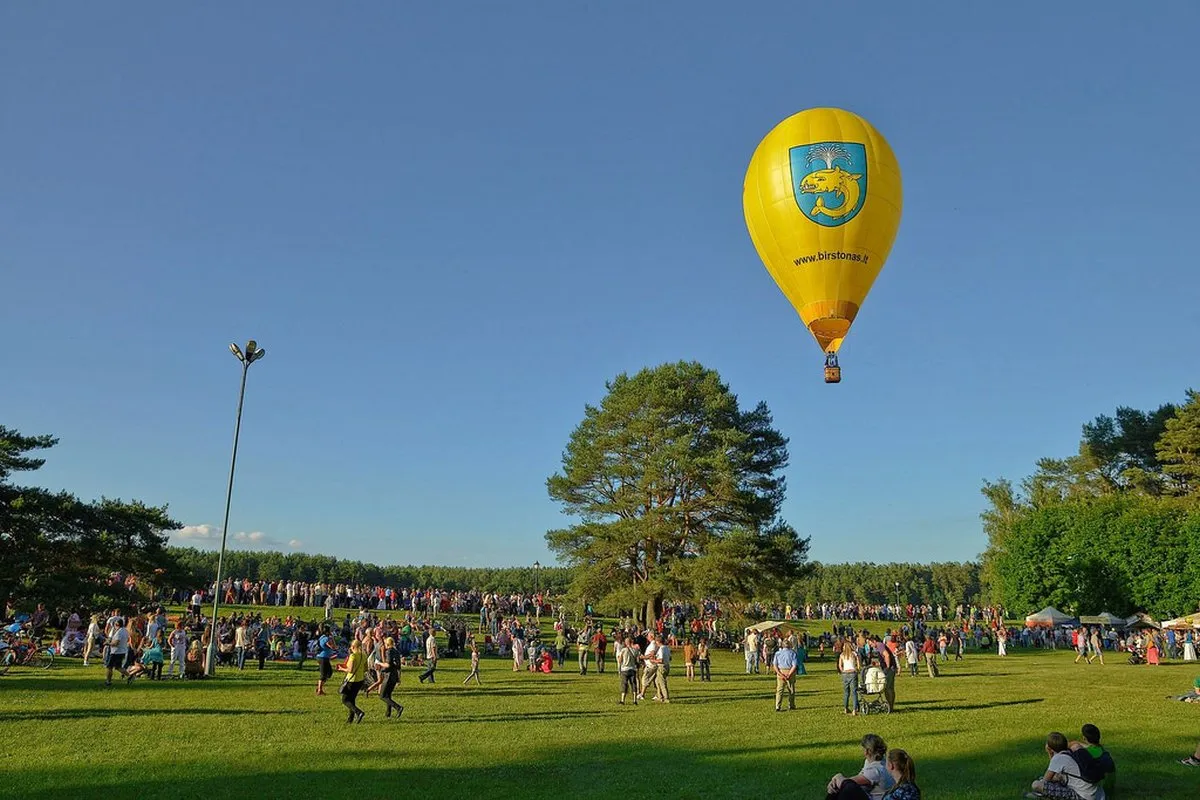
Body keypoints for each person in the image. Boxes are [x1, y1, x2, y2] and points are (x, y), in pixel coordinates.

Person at [1025, 731, 1105, 799]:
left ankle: (1039, 795)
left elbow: (1046, 780)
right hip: (1095, 793)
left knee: (1036, 784)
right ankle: (1040, 795)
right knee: (1057, 778)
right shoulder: (1071, 752)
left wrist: (1049, 753)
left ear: (1050, 748)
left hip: (1083, 796)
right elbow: (1055, 773)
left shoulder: (1058, 758)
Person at [825, 734, 895, 799]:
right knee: (838, 788)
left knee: (845, 788)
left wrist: (837, 776)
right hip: (868, 795)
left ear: (867, 751)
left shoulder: (876, 770)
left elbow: (849, 783)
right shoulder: (876, 761)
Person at [338, 639, 367, 724]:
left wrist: (341, 668)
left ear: (353, 647)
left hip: (352, 680)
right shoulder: (364, 655)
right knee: (352, 699)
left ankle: (359, 712)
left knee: (345, 700)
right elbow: (366, 669)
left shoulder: (353, 656)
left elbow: (350, 670)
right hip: (360, 680)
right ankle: (350, 718)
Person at [377, 636, 403, 718]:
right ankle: (388, 713)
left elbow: (387, 665)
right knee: (388, 695)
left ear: (387, 644)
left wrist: (379, 663)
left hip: (389, 675)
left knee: (382, 696)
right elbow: (399, 666)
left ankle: (398, 707)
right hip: (395, 675)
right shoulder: (396, 651)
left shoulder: (389, 651)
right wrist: (399, 678)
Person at [772, 639, 797, 712]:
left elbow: (775, 665)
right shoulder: (793, 653)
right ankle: (791, 705)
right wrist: (789, 674)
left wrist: (780, 674)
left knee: (779, 690)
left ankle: (777, 706)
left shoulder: (777, 653)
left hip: (781, 671)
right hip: (790, 671)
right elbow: (794, 665)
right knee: (791, 690)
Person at [838, 642, 861, 715]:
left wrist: (842, 671)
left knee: (846, 692)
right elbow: (858, 663)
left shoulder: (842, 655)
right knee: (854, 692)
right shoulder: (854, 654)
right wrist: (857, 669)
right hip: (852, 673)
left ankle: (845, 708)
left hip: (845, 673)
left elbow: (840, 665)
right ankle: (854, 710)